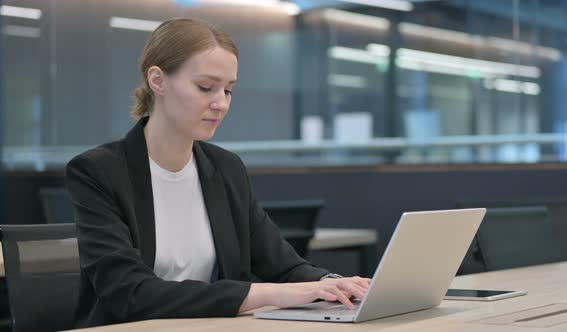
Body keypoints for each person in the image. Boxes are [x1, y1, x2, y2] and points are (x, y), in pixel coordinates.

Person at [66, 17, 370, 328]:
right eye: (206, 87)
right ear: (157, 80)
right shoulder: (98, 171)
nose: (221, 103)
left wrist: (337, 284)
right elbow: (130, 293)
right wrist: (267, 294)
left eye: (228, 90)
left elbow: (283, 265)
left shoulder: (226, 169)